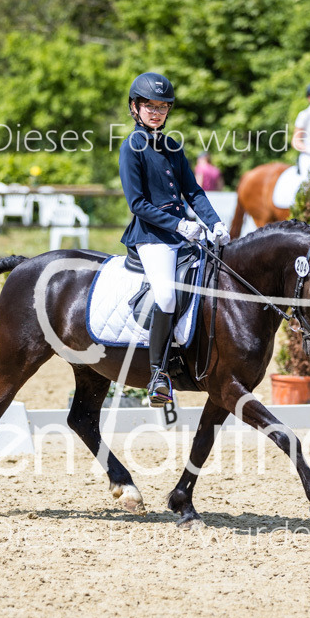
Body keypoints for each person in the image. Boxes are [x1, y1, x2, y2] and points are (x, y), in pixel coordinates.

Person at [118, 72, 230, 407]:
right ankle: (157, 376)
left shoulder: (172, 146)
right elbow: (137, 203)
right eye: (149, 106)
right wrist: (179, 225)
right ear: (135, 108)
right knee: (166, 297)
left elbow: (193, 191)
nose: (156, 112)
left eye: (162, 107)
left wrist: (215, 222)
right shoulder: (131, 147)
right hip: (152, 237)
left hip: (182, 234)